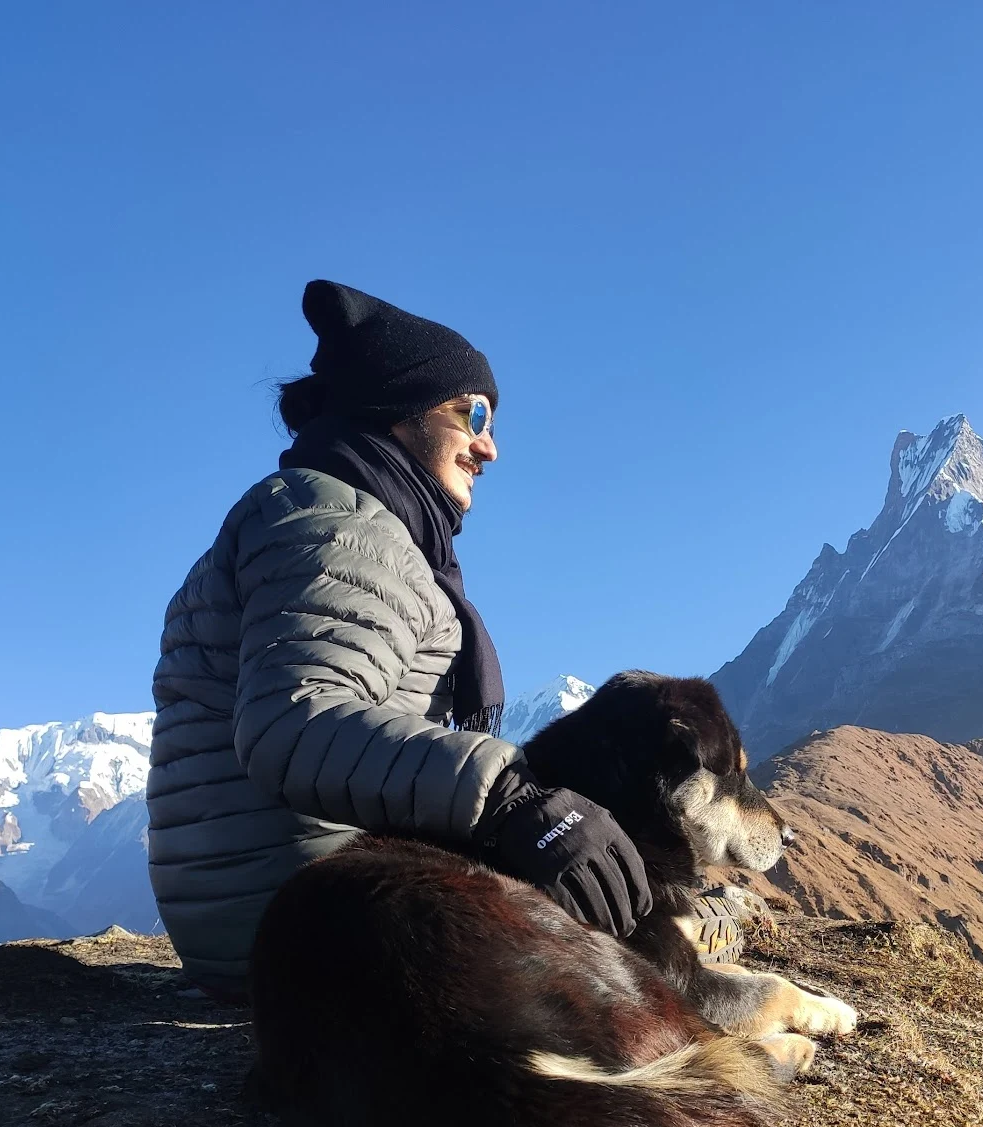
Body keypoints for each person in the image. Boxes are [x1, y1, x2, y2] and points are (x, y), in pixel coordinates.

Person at [146, 279, 652, 998]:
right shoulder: (337, 526)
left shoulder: (324, 516)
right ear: (399, 410)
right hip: (317, 919)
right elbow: (294, 722)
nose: (490, 447)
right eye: (474, 413)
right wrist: (510, 798)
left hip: (278, 910)